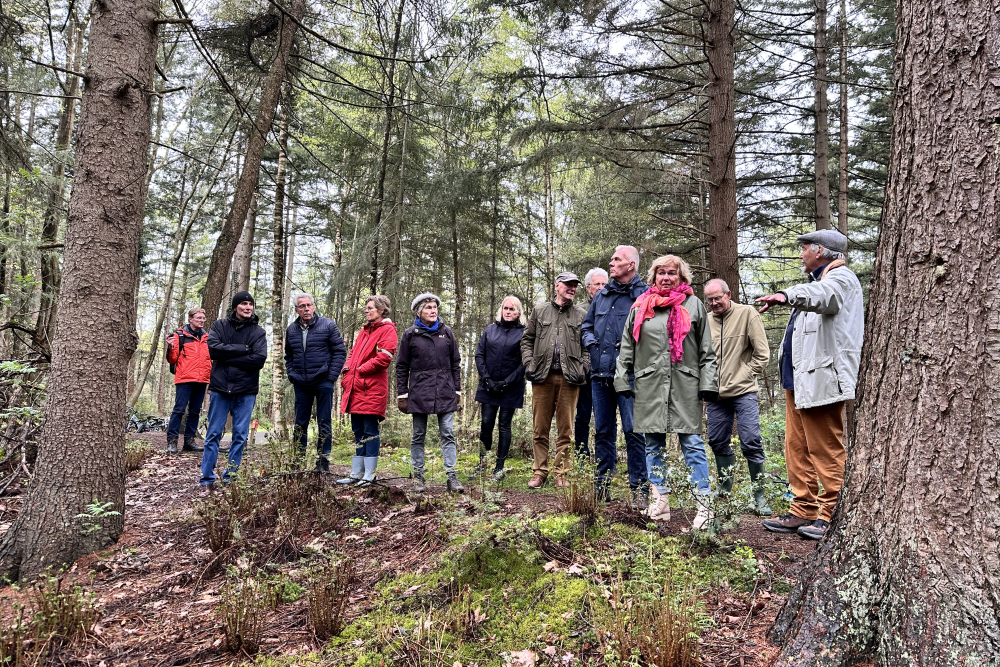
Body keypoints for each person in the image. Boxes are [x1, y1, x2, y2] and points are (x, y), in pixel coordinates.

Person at [756, 229, 863, 540]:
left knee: (825, 448)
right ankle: (803, 509)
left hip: (822, 380)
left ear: (821, 250)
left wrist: (786, 295)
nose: (801, 254)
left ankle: (831, 513)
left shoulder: (840, 278)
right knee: (797, 448)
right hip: (801, 381)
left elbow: (823, 298)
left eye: (804, 248)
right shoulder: (820, 281)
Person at [614, 255, 718, 529]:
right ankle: (660, 502)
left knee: (692, 444)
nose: (666, 277)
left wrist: (709, 383)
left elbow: (707, 352)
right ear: (653, 277)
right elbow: (627, 346)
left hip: (685, 384)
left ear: (682, 277)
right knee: (652, 445)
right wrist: (622, 378)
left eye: (672, 273)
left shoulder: (693, 305)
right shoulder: (641, 305)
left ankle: (704, 504)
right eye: (661, 273)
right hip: (649, 383)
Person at [582, 246, 649, 508]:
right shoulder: (603, 295)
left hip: (631, 377)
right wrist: (592, 343)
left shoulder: (644, 295)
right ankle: (602, 488)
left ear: (631, 265)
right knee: (603, 431)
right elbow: (587, 326)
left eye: (616, 259)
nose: (611, 263)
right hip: (600, 375)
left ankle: (640, 491)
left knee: (634, 432)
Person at [704, 278, 772, 516]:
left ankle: (760, 496)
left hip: (744, 392)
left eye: (717, 298)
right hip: (715, 395)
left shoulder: (747, 314)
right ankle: (724, 489)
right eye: (710, 300)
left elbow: (762, 355)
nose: (714, 303)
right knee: (717, 441)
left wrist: (744, 374)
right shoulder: (706, 321)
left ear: (728, 294)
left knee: (751, 440)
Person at [521, 272, 589, 489]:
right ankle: (540, 472)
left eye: (575, 286)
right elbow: (527, 339)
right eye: (568, 285)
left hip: (570, 379)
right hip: (542, 377)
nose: (572, 289)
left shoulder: (581, 314)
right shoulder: (540, 310)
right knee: (539, 428)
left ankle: (562, 473)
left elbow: (587, 345)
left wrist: (584, 367)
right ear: (557, 286)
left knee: (565, 430)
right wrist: (529, 362)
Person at [397, 293, 464, 493]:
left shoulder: (447, 333)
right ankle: (418, 476)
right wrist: (403, 394)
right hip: (419, 391)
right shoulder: (410, 334)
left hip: (445, 389)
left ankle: (452, 477)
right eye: (428, 307)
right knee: (418, 434)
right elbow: (402, 366)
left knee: (448, 433)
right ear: (418, 311)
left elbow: (455, 363)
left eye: (435, 307)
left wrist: (458, 389)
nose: (433, 310)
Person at [201, 291, 267, 491]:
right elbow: (213, 351)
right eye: (243, 304)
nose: (247, 307)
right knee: (213, 433)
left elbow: (259, 360)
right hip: (220, 388)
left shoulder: (258, 332)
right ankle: (207, 478)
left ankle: (231, 475)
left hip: (246, 390)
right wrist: (244, 349)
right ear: (235, 306)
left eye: (250, 304)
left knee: (240, 435)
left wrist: (226, 353)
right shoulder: (219, 326)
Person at [284, 293, 348, 472]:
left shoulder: (328, 325)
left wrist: (331, 376)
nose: (306, 309)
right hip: (301, 382)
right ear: (296, 309)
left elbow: (339, 351)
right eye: (302, 306)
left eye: (309, 305)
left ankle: (323, 461)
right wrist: (292, 373)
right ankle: (298, 459)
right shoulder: (291, 330)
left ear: (313, 307)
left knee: (324, 421)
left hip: (323, 381)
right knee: (300, 422)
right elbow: (289, 356)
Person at [339, 295, 398, 486]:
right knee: (357, 430)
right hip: (355, 388)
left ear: (381, 310)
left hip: (371, 389)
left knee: (370, 431)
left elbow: (384, 358)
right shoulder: (364, 331)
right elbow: (352, 354)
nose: (366, 310)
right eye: (366, 308)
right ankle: (357, 472)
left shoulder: (388, 330)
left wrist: (361, 370)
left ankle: (370, 474)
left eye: (370, 308)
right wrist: (347, 371)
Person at [472, 296, 527, 482]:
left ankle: (499, 468)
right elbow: (479, 355)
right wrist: (486, 379)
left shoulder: (524, 333)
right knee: (486, 424)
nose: (508, 311)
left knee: (504, 425)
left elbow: (524, 363)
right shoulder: (490, 329)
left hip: (510, 388)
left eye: (512, 309)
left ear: (518, 312)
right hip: (488, 386)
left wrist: (507, 382)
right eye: (506, 308)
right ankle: (482, 464)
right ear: (501, 310)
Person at [165, 307, 212, 454]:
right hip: (184, 378)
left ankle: (189, 441)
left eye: (203, 318)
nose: (201, 321)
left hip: (202, 379)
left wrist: (211, 380)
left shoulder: (207, 338)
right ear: (190, 319)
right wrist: (171, 347)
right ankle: (172, 442)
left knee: (195, 411)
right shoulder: (179, 336)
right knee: (179, 410)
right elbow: (172, 359)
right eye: (198, 318)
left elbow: (210, 360)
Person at [574, 268, 607, 460]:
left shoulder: (613, 305)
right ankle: (581, 454)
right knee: (583, 414)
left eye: (604, 284)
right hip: (586, 371)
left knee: (607, 417)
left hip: (608, 370)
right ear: (588, 288)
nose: (602, 288)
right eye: (597, 284)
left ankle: (606, 455)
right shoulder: (579, 310)